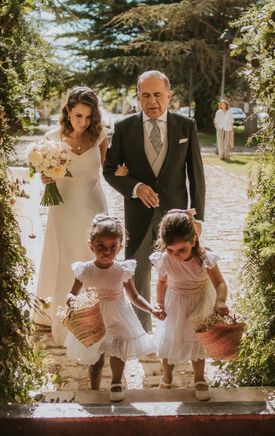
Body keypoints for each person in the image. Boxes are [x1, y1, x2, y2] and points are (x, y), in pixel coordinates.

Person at [103, 70, 206, 333]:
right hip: (139, 213)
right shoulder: (124, 128)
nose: (152, 102)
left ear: (169, 96)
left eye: (158, 95)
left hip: (177, 214)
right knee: (138, 271)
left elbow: (196, 176)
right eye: (146, 95)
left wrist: (199, 218)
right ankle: (141, 331)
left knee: (181, 272)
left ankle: (178, 330)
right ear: (138, 96)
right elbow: (109, 169)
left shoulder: (186, 126)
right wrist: (135, 186)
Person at [33, 86, 126, 346]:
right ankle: (66, 318)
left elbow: (108, 170)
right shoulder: (52, 137)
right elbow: (44, 172)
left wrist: (122, 172)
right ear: (67, 112)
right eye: (78, 116)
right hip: (63, 207)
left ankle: (97, 319)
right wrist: (45, 176)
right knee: (66, 259)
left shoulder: (100, 137)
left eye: (88, 116)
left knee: (94, 259)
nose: (83, 122)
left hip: (93, 205)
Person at [65, 215, 165, 402]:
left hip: (119, 315)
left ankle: (116, 383)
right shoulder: (84, 270)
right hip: (94, 317)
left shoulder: (122, 270)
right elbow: (73, 293)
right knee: (96, 357)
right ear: (91, 246)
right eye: (101, 246)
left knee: (118, 351)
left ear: (120, 248)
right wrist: (70, 301)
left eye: (113, 247)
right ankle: (94, 389)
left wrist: (151, 309)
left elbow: (134, 296)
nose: (107, 251)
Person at [150, 209, 230, 401]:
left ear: (193, 241)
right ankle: (167, 377)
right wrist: (160, 304)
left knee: (198, 340)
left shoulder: (204, 258)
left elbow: (220, 283)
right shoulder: (165, 259)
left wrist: (220, 301)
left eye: (181, 250)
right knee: (171, 337)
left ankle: (199, 378)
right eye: (171, 250)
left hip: (200, 299)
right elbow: (161, 282)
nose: (176, 255)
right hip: (175, 300)